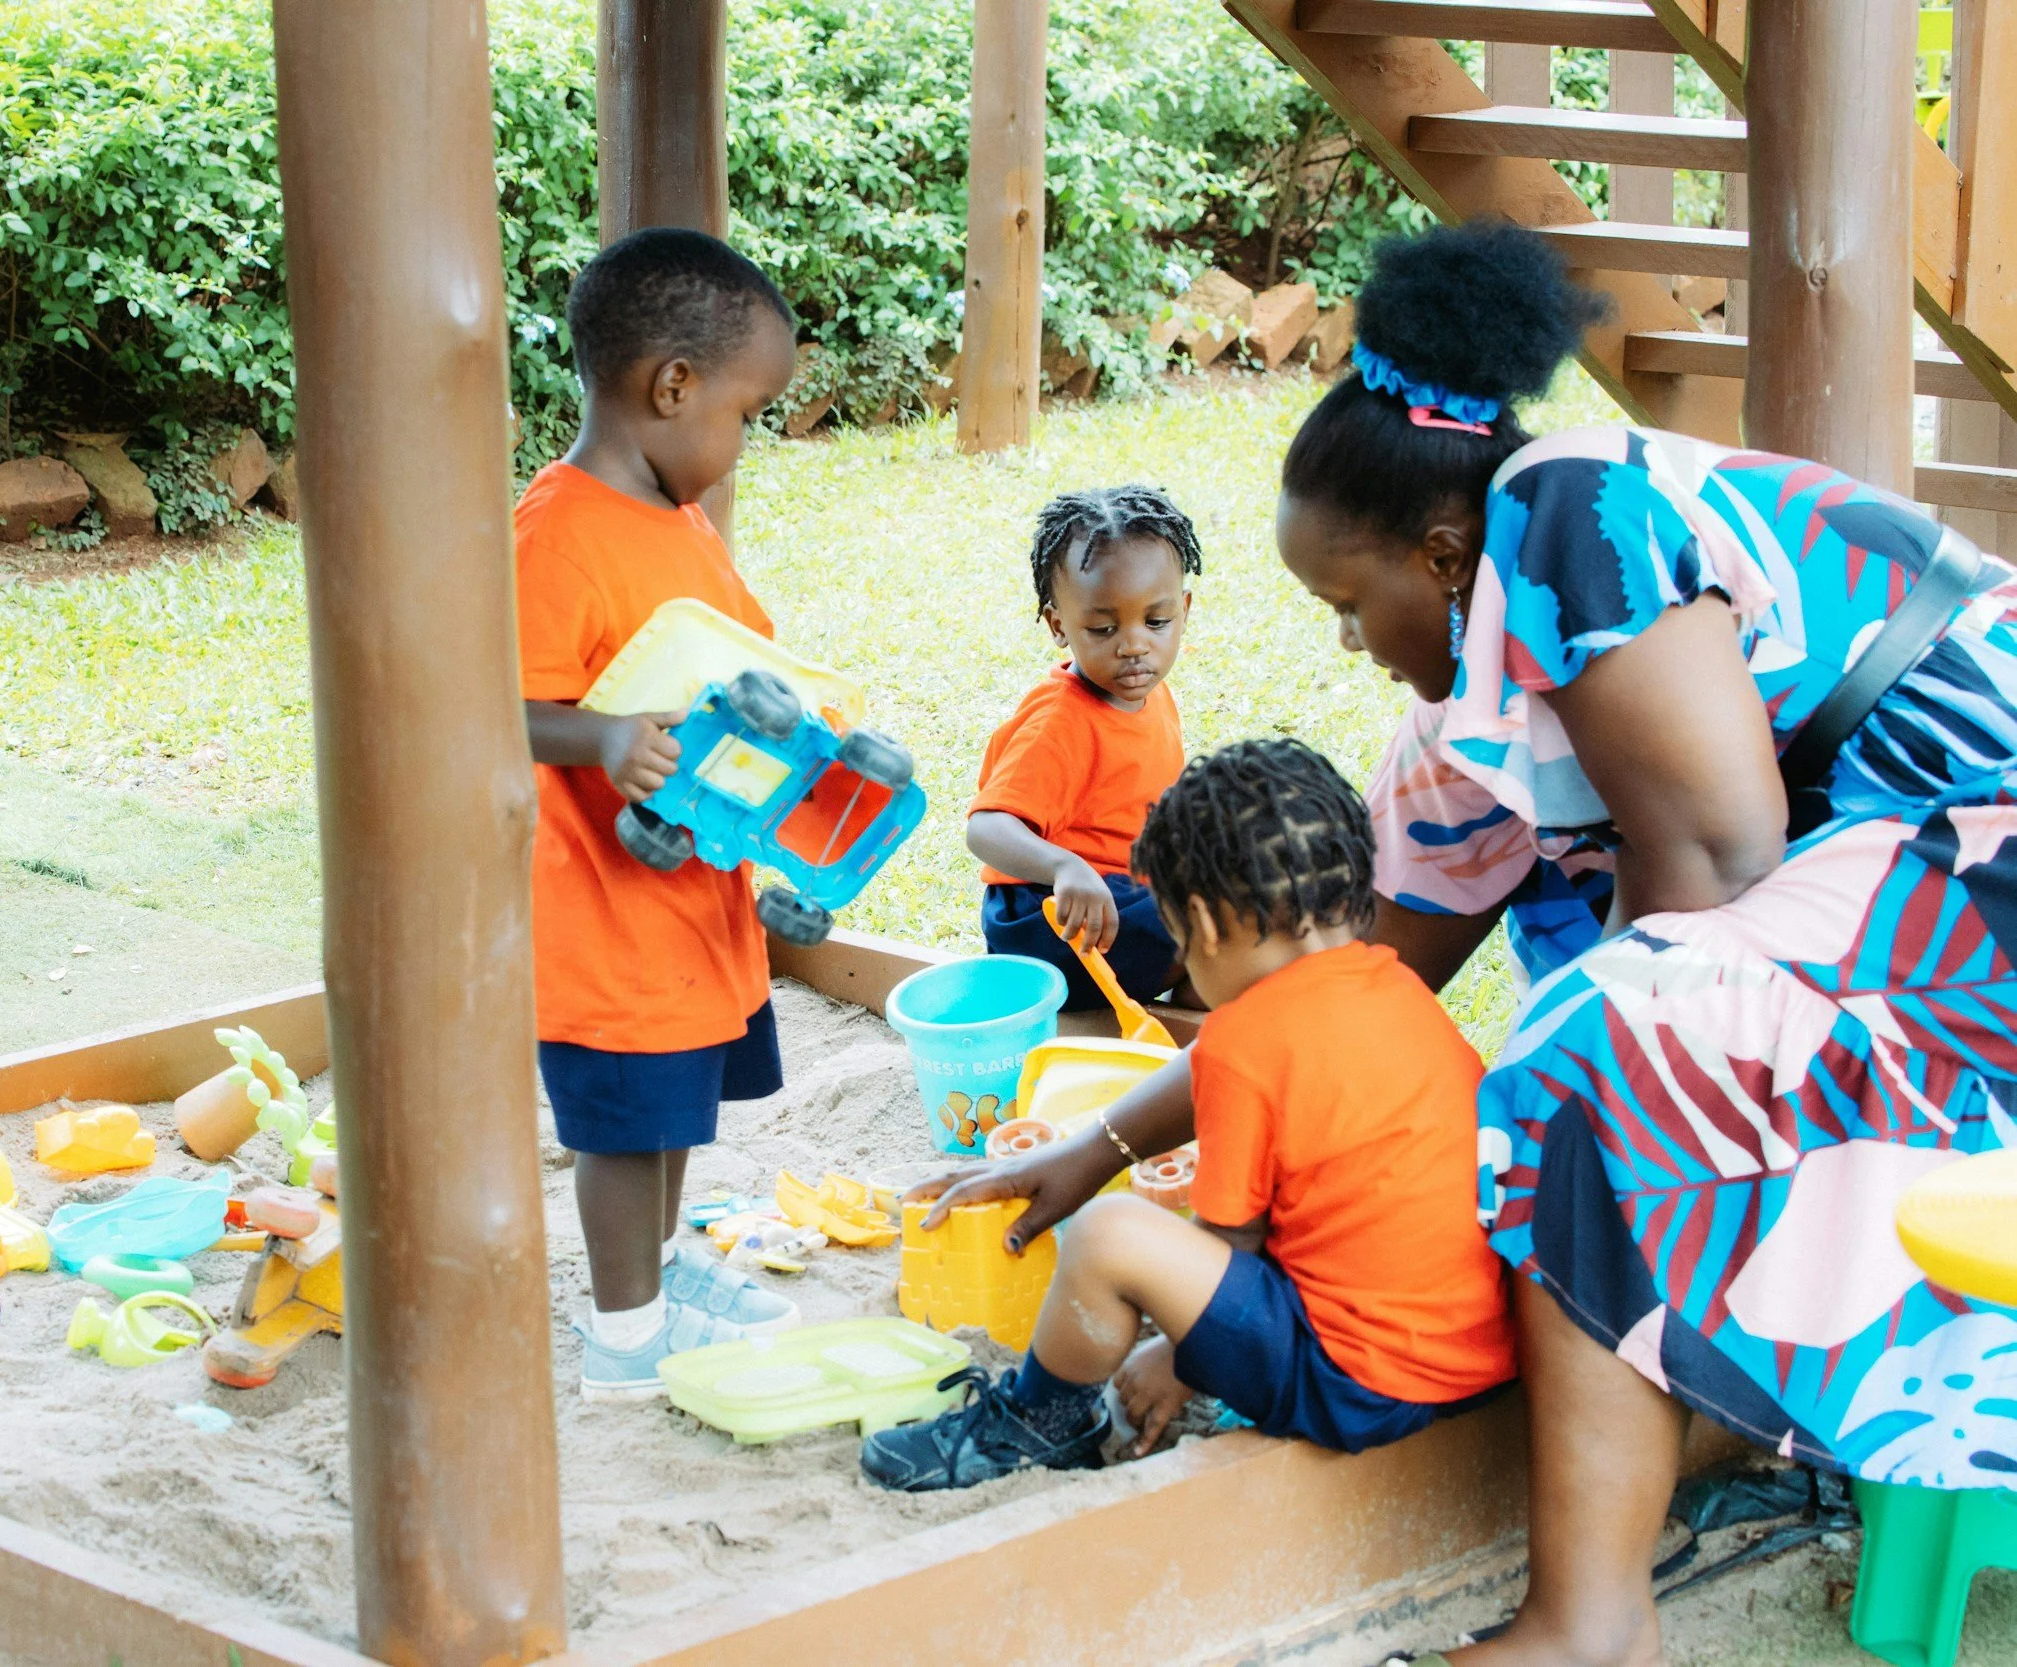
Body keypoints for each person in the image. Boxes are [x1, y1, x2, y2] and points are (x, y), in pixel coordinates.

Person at [951, 221, 2017, 1667]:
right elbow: (1329, 987)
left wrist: (1588, 1083)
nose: (1348, 641)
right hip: (1882, 887)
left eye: (1349, 602)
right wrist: (1102, 1145)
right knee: (1589, 1059)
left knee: (1584, 1058)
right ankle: (1691, 1448)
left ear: (1445, 551)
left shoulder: (1573, 510)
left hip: (1981, 829)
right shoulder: (1467, 719)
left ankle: (1589, 1621)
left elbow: (1715, 854)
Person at [864, 739, 1514, 1491]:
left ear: (1201, 923)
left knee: (1113, 1236)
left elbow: (1228, 1243)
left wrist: (1178, 1358)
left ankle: (1038, 1423)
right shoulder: (1404, 995)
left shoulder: (1247, 1038)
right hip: (1467, 1359)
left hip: (1359, 1382)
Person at [514, 227, 805, 1398]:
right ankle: (624, 1336)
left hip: (689, 889)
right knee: (624, 1132)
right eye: (746, 413)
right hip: (602, 908)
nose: (744, 442)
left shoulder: (674, 518)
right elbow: (490, 702)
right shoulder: (556, 532)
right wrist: (600, 738)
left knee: (676, 1106)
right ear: (671, 387)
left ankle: (668, 1274)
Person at [967, 487, 1202, 1009]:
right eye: (1102, 628)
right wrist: (1064, 867)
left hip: (1121, 895)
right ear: (1058, 625)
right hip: (1047, 917)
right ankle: (1190, 1010)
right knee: (1216, 924)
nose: (1134, 644)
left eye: (1156, 622)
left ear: (1183, 609)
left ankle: (1192, 1007)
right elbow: (986, 829)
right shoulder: (1061, 722)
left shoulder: (1152, 692)